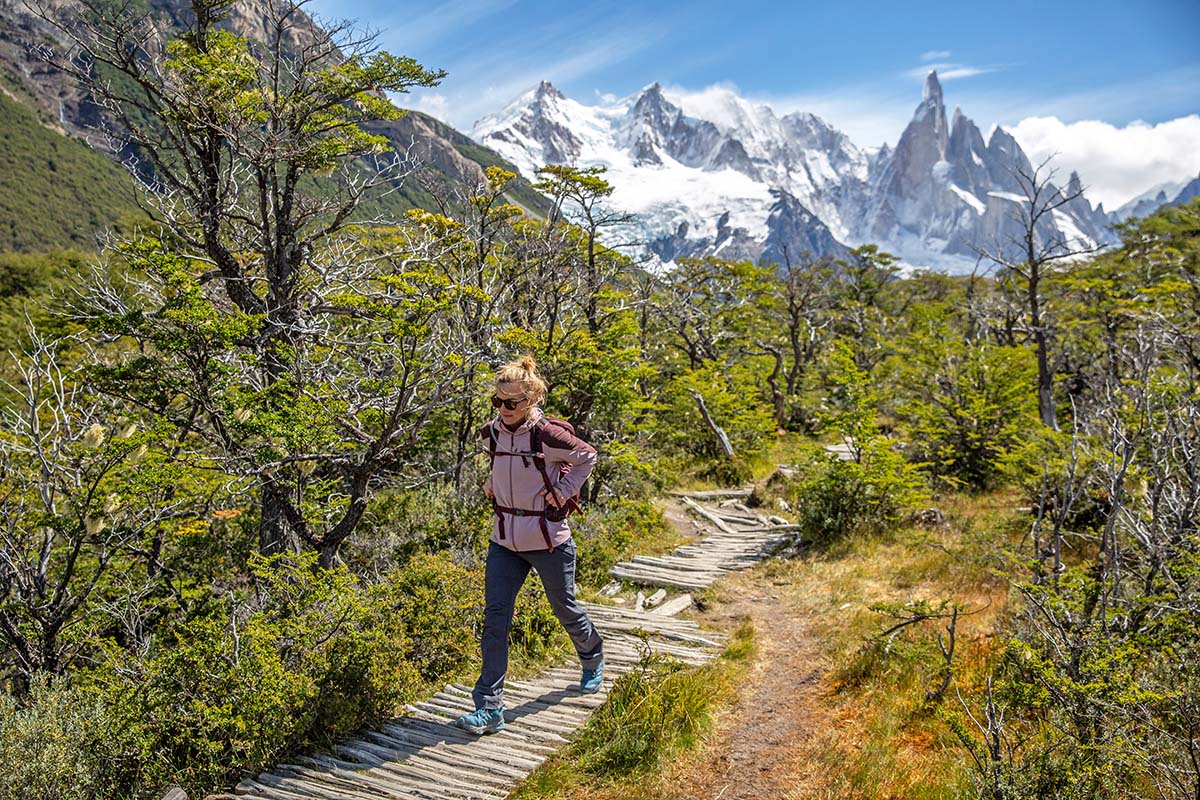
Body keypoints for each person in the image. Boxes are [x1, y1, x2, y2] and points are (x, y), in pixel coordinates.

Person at [455, 355, 605, 736]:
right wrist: (492, 481)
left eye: (512, 402)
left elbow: (588, 455)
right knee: (495, 620)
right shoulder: (492, 432)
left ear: (532, 398)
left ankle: (592, 654)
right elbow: (501, 464)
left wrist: (565, 491)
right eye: (498, 401)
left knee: (564, 606)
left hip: (547, 540)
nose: (504, 409)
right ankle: (489, 708)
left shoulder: (547, 435)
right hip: (504, 539)